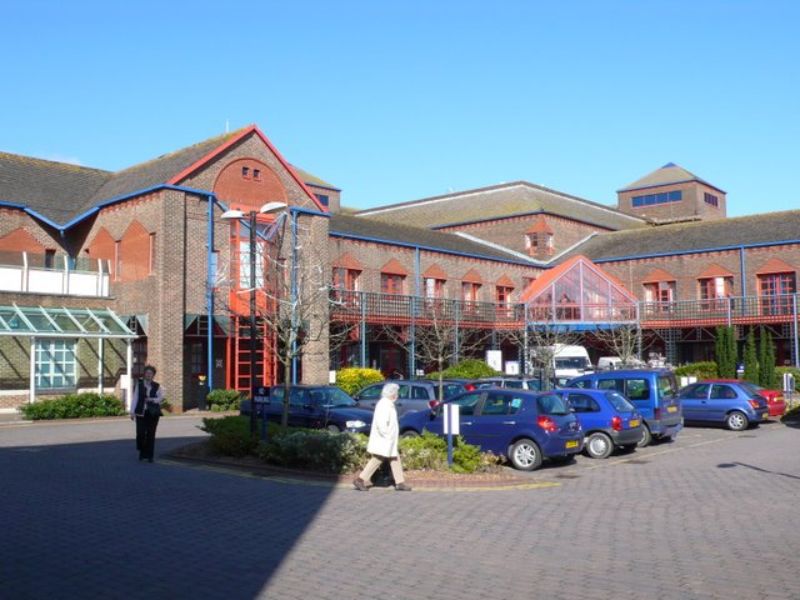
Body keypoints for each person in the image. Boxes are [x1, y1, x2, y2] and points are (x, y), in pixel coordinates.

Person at [353, 383, 411, 492]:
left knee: (394, 457)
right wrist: (388, 436)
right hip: (384, 439)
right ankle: (360, 480)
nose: (397, 395)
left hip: (388, 439)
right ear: (391, 394)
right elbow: (381, 424)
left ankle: (400, 482)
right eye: (396, 393)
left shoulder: (387, 404)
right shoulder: (384, 405)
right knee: (378, 458)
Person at [130, 365, 165, 463]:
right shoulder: (139, 384)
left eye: (151, 373)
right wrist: (132, 412)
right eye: (147, 373)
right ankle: (142, 451)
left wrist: (152, 399)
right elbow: (135, 398)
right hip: (141, 413)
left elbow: (161, 398)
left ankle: (149, 456)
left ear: (153, 375)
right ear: (144, 374)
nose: (149, 375)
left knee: (151, 434)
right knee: (140, 433)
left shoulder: (157, 386)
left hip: (153, 413)